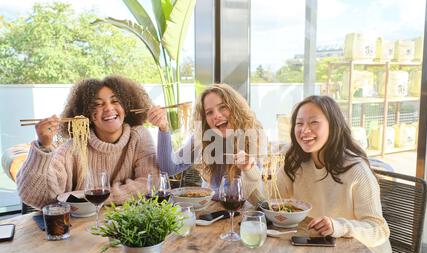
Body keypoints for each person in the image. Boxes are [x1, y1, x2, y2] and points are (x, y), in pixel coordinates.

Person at [274, 95, 393, 253]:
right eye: (299, 123)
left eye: (314, 122)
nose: (305, 130)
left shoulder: (356, 170)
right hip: (322, 251)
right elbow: (271, 204)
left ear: (333, 126)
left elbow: (379, 230)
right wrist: (249, 171)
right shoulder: (295, 163)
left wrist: (338, 226)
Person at [17, 75, 160, 209]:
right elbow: (35, 197)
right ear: (87, 115)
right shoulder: (74, 147)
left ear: (127, 107)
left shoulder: (139, 136)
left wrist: (92, 199)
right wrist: (43, 145)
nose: (109, 108)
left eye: (115, 101)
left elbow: (151, 183)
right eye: (97, 104)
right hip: (83, 227)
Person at [147, 83, 265, 205]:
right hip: (209, 213)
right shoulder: (202, 137)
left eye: (222, 107)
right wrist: (164, 127)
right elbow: (169, 168)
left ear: (235, 108)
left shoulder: (254, 136)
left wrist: (249, 169)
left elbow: (258, 198)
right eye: (209, 112)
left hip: (244, 215)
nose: (217, 116)